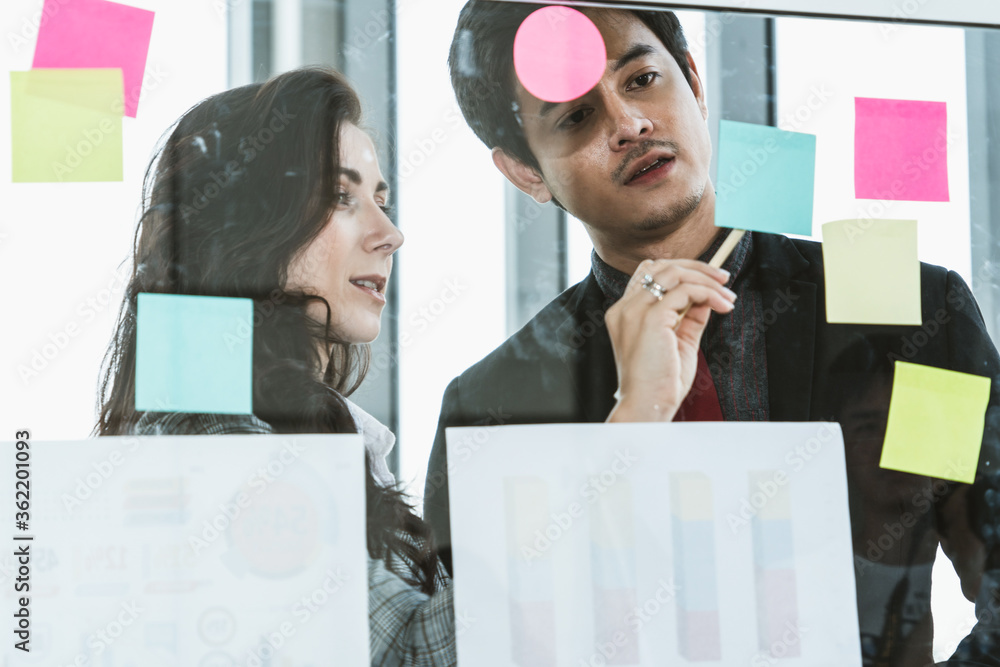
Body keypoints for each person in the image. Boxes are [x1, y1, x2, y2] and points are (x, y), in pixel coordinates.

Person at [425, 2, 1000, 664]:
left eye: (642, 80)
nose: (630, 124)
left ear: (693, 79)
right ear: (527, 171)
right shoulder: (493, 408)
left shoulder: (908, 318)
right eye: (576, 116)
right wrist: (627, 427)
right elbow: (501, 645)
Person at [96, 67, 455, 666]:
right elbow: (415, 655)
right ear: (246, 223)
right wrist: (633, 423)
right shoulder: (210, 441)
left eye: (380, 199)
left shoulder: (286, 429)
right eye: (342, 197)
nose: (389, 233)